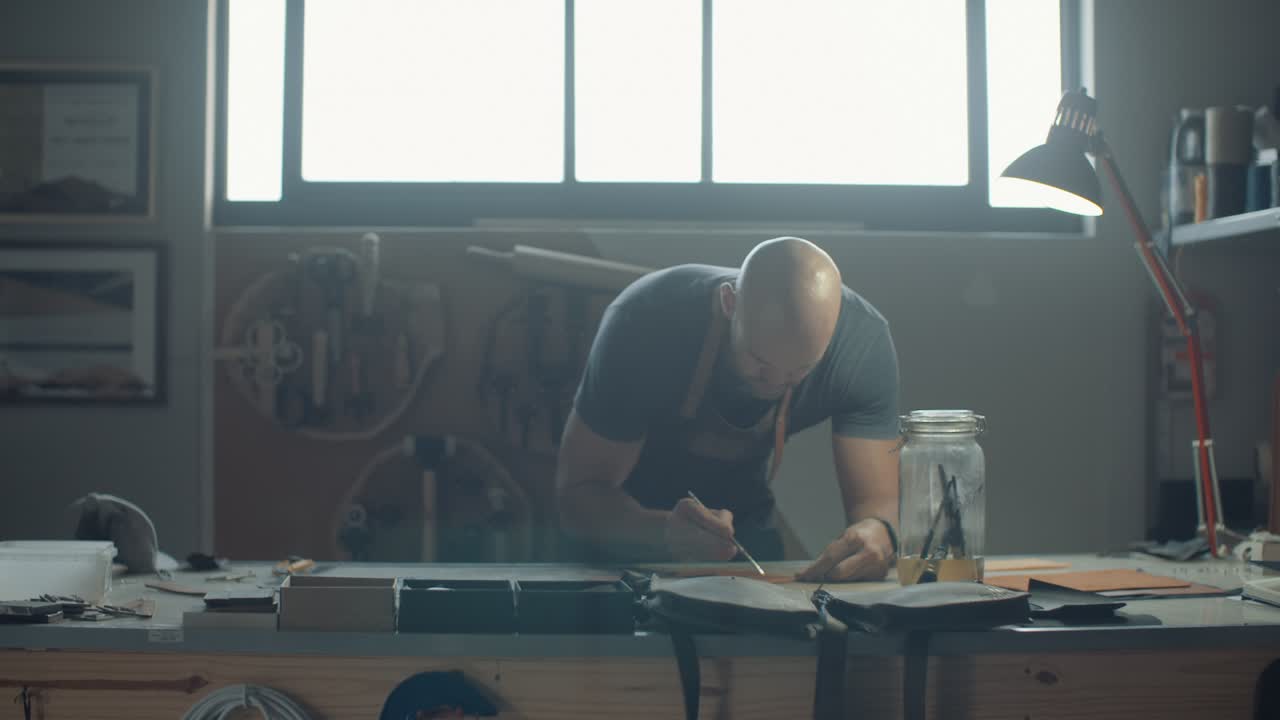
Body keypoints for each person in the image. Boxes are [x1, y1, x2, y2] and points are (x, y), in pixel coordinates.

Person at [555, 237, 900, 581]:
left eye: (799, 370)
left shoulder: (861, 346)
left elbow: (878, 507)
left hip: (745, 530)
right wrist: (662, 532)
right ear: (728, 302)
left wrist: (878, 535)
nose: (774, 382)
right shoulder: (646, 321)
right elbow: (577, 498)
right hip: (626, 538)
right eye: (759, 361)